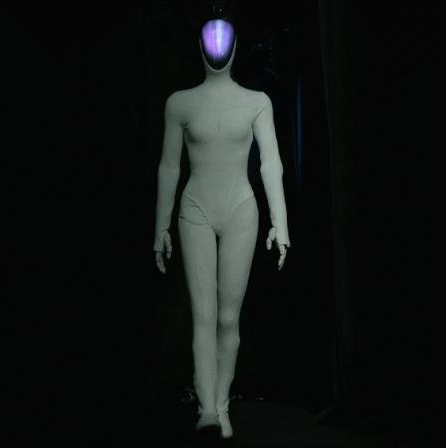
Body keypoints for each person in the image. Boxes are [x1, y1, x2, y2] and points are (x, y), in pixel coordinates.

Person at [153, 17, 291, 440]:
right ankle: (207, 410)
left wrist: (280, 222)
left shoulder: (257, 102)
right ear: (200, 47)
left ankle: (222, 405)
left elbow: (271, 163)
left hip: (240, 210)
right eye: (210, 40)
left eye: (222, 40)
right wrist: (160, 226)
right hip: (195, 208)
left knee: (228, 318)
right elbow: (169, 166)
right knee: (204, 316)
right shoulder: (179, 104)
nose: (216, 46)